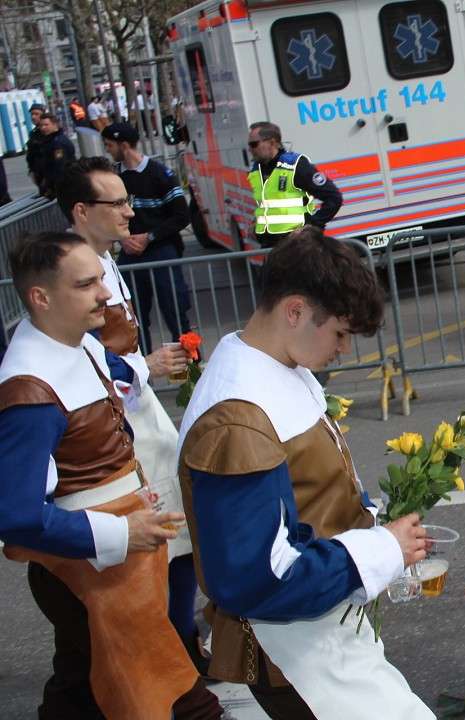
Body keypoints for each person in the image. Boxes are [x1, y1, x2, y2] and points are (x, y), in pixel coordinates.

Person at [177, 227, 433, 719]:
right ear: (294, 310)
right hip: (288, 646)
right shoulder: (237, 416)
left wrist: (372, 531)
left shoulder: (274, 365)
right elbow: (257, 579)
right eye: (340, 333)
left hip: (313, 627)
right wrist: (381, 549)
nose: (345, 349)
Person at [0, 230, 223, 719]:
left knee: (80, 686)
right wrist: (121, 530)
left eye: (101, 278)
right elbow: (15, 516)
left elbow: (116, 372)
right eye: (86, 284)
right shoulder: (29, 390)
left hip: (110, 557)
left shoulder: (75, 342)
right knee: (171, 692)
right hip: (93, 566)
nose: (105, 293)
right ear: (41, 297)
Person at [56, 155, 212, 676]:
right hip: (117, 428)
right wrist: (143, 365)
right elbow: (78, 356)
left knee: (176, 533)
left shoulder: (106, 259)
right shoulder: (72, 270)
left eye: (128, 199)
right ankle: (171, 653)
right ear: (81, 211)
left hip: (136, 416)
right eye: (117, 202)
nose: (130, 211)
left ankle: (178, 644)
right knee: (163, 537)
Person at [103, 122, 193, 351]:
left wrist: (149, 237)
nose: (107, 150)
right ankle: (143, 378)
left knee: (176, 314)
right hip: (130, 256)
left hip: (163, 252)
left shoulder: (161, 174)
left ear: (124, 145)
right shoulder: (113, 179)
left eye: (109, 145)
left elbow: (181, 215)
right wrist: (122, 238)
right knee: (132, 319)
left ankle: (188, 375)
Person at [247, 121, 343, 248]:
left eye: (254, 144)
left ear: (271, 143)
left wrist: (310, 227)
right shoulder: (259, 169)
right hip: (271, 247)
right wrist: (255, 223)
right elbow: (269, 205)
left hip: (298, 248)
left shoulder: (294, 166)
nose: (250, 149)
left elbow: (334, 198)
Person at [32, 112, 76, 199]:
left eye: (46, 125)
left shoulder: (58, 143)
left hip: (62, 186)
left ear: (54, 124)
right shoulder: (51, 140)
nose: (43, 128)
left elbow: (60, 166)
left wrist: (49, 184)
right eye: (41, 125)